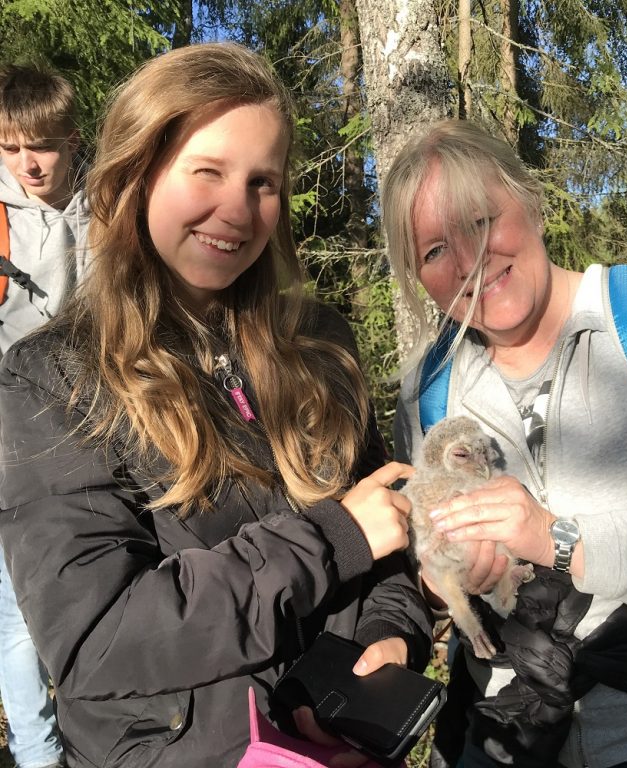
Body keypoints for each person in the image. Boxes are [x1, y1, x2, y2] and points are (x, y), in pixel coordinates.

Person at [0, 42, 432, 768]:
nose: (237, 209)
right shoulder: (53, 379)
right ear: (138, 174)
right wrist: (331, 539)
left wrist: (388, 640)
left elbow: (383, 527)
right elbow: (99, 639)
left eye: (263, 181)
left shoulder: (320, 345)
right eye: (208, 172)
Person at [383, 119, 627, 768]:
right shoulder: (428, 391)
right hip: (514, 740)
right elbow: (430, 559)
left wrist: (560, 538)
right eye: (433, 250)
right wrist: (452, 572)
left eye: (481, 221)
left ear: (530, 201)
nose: (469, 261)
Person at [0, 62, 89, 768]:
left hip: (103, 430)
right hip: (10, 437)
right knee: (18, 621)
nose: (27, 162)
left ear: (72, 139)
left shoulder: (113, 205)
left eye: (43, 145)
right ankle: (37, 758)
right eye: (8, 147)